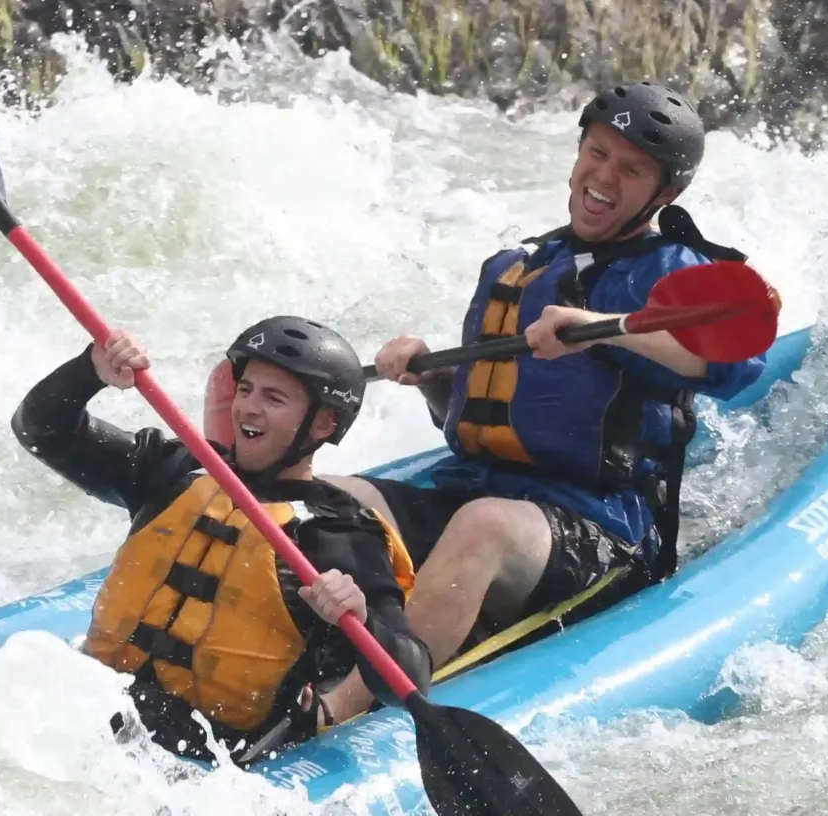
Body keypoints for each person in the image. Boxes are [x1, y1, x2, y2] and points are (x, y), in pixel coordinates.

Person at [321, 83, 767, 711]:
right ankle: (289, 662)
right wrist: (431, 377)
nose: (604, 176)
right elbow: (477, 420)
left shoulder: (674, 268)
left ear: (664, 194)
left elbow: (736, 366)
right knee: (335, 499)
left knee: (483, 527)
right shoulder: (528, 261)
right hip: (477, 489)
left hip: (604, 530)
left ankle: (341, 711)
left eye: (631, 169)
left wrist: (604, 331)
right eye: (597, 153)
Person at [12, 315, 433, 762]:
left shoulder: (338, 532)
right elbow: (39, 429)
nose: (248, 407)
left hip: (214, 767)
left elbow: (408, 677)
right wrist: (89, 369)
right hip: (89, 719)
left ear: (323, 424)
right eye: (246, 389)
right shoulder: (172, 471)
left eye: (273, 398)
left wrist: (363, 619)